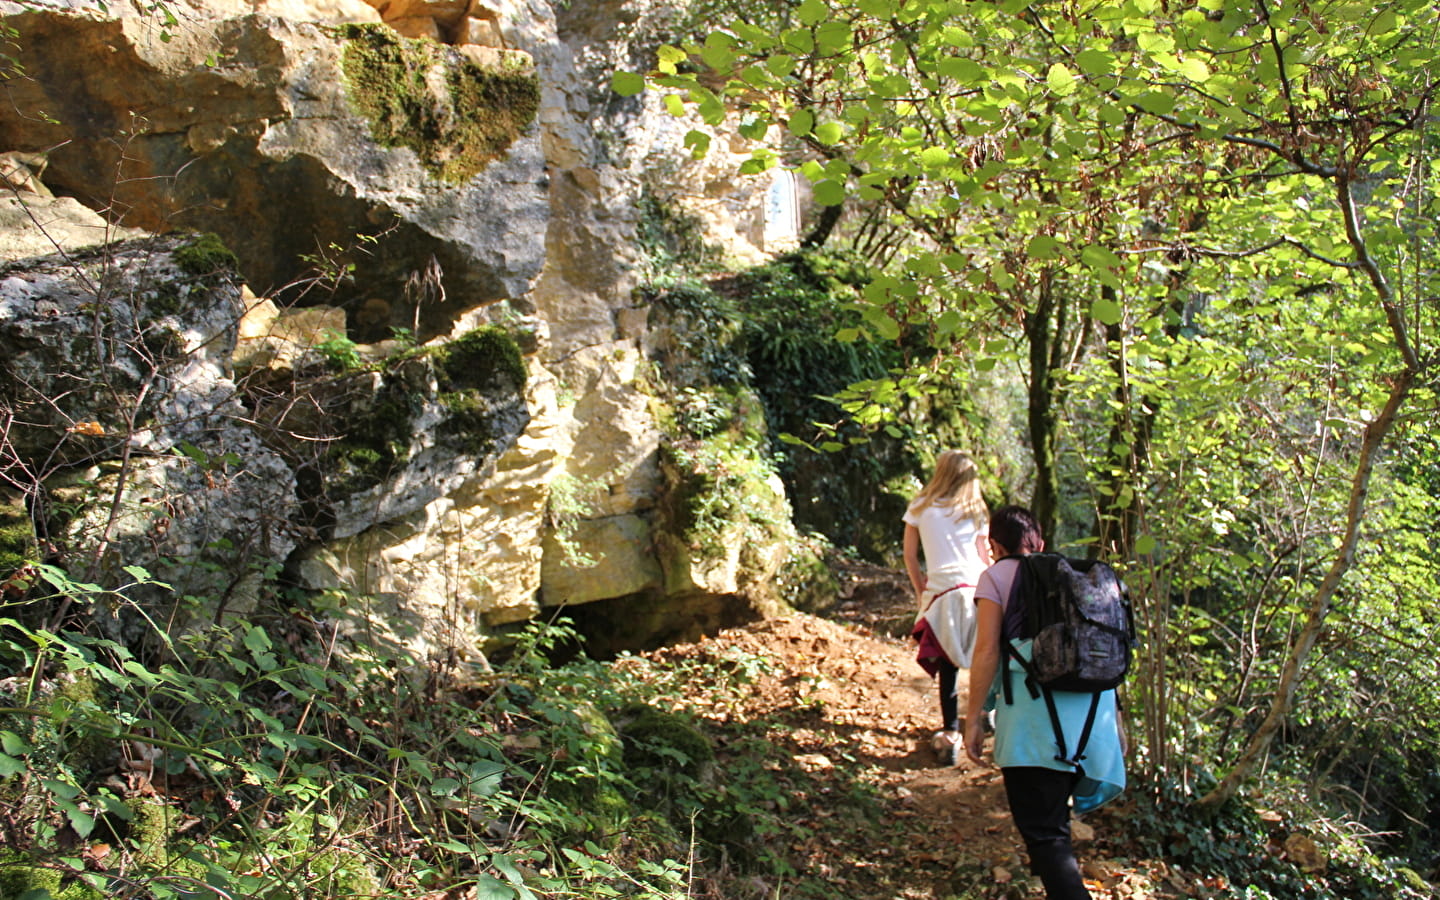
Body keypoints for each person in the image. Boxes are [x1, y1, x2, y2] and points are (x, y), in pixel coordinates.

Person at [963, 505, 1125, 900]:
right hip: (1094, 725)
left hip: (1034, 732)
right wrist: (1120, 726)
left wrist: (972, 718)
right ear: (1040, 543)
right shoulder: (1081, 582)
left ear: (996, 546)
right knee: (1054, 830)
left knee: (1046, 837)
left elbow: (985, 652)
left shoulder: (995, 577)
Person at [903, 450, 990, 766]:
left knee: (948, 664)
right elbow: (985, 558)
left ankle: (951, 731)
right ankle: (985, 712)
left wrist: (920, 590)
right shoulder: (976, 510)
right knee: (985, 653)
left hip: (942, 591)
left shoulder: (920, 507)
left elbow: (911, 556)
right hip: (978, 589)